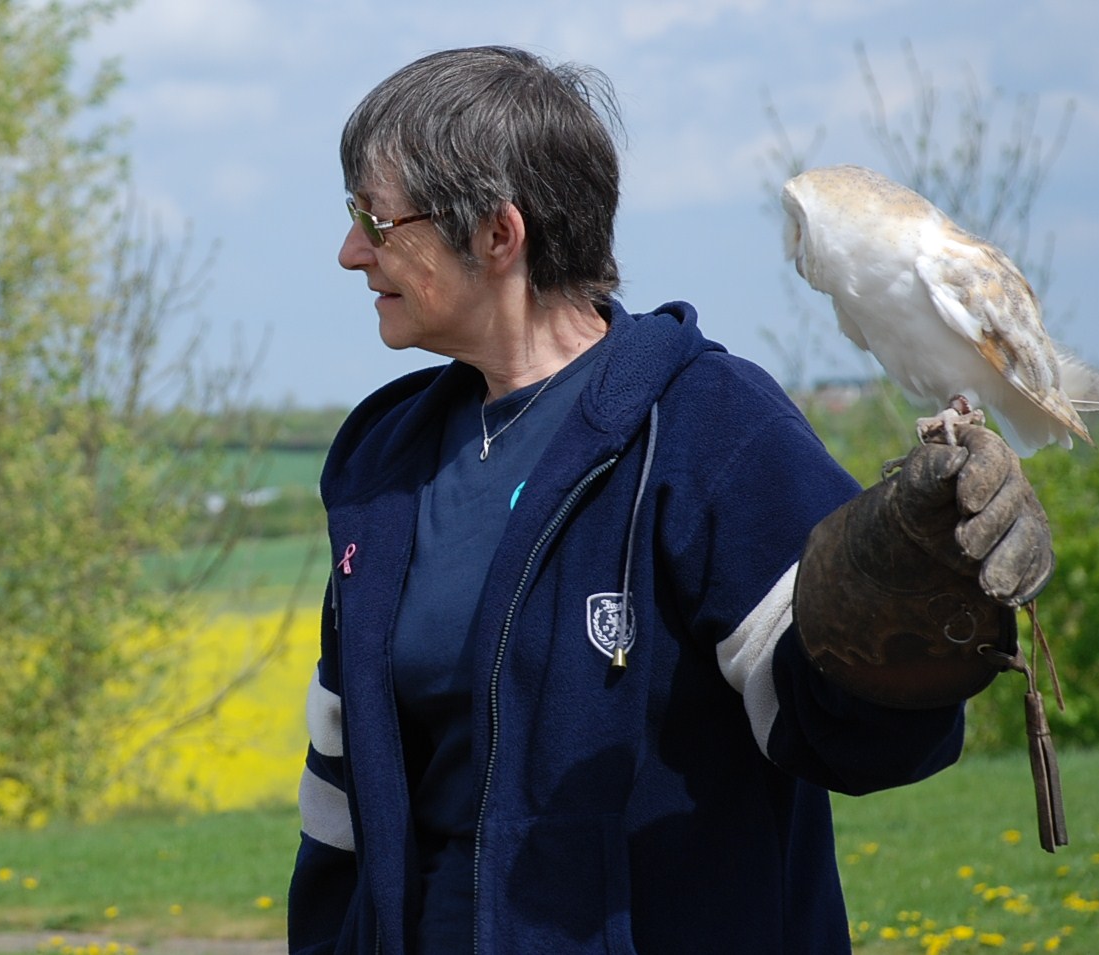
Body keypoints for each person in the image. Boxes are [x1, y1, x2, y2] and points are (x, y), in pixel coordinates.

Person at [288, 46, 1053, 955]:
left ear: (498, 234)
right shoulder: (384, 464)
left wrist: (926, 608)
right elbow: (342, 807)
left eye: (375, 219)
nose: (349, 251)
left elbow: (852, 733)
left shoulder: (712, 427)